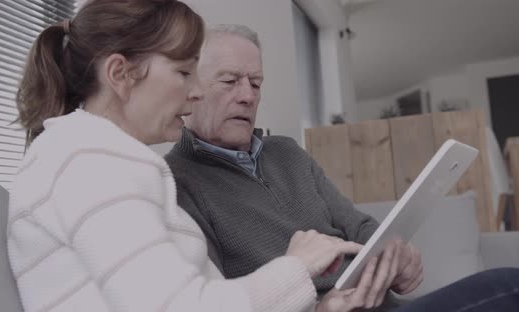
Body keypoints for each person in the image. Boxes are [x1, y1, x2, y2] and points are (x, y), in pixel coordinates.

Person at [7, 1, 383, 312]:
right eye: (184, 71)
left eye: (255, 83)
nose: (196, 91)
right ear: (120, 74)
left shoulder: (91, 156)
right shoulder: (89, 163)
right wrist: (297, 266)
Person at [164, 24, 519, 311]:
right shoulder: (175, 182)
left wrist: (394, 254)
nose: (247, 95)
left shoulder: (286, 152)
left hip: (385, 304)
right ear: (192, 87)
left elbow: (358, 225)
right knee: (507, 286)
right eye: (230, 81)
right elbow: (215, 300)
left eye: (255, 83)